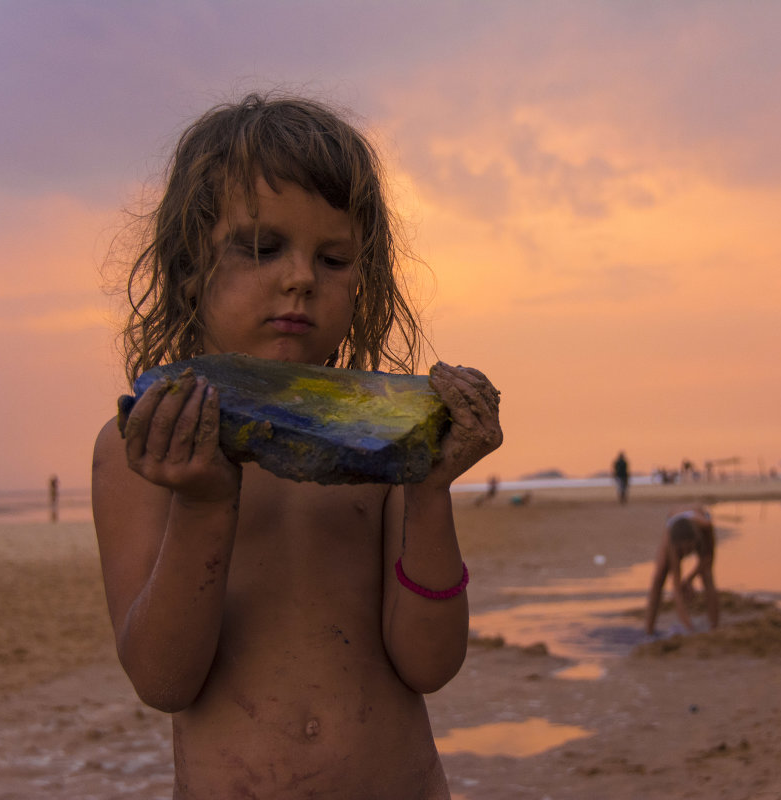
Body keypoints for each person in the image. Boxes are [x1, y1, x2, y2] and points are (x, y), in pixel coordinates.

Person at [91, 93, 502, 800]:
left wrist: (429, 489)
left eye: (334, 257)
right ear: (190, 266)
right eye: (262, 247)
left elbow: (429, 664)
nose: (301, 278)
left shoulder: (379, 437)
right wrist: (203, 502)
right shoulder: (147, 450)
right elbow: (164, 681)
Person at [644, 505, 720, 636]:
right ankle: (648, 630)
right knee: (659, 576)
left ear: (696, 540)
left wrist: (689, 579)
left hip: (698, 520)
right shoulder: (672, 542)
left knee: (707, 576)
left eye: (689, 549)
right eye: (682, 552)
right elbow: (677, 590)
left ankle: (715, 627)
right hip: (673, 525)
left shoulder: (705, 527)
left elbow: (708, 559)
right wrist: (690, 629)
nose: (686, 554)